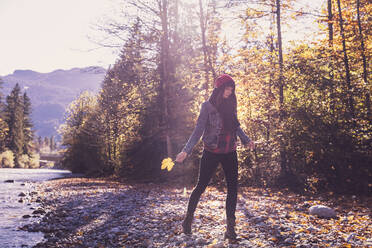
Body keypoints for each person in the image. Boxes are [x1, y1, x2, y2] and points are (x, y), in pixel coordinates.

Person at [175, 74, 255, 241]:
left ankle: (230, 229)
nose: (229, 91)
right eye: (227, 88)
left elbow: (236, 126)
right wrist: (186, 151)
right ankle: (188, 220)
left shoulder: (231, 104)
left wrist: (246, 140)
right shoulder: (207, 106)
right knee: (201, 186)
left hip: (230, 151)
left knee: (233, 188)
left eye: (231, 88)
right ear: (219, 89)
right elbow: (198, 130)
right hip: (211, 151)